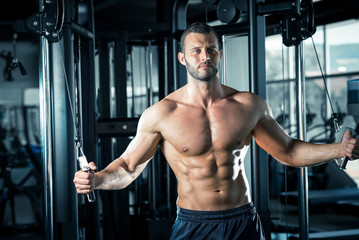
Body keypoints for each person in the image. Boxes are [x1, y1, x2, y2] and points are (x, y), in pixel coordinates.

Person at [73, 22, 359, 240]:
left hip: (243, 219)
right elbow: (128, 166)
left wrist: (339, 149)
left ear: (220, 54)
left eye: (210, 49)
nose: (204, 56)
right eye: (196, 50)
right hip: (193, 223)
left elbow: (288, 151)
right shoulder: (162, 113)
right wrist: (97, 180)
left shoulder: (250, 105)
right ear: (183, 58)